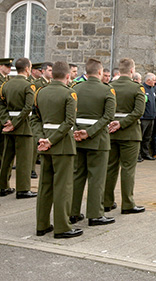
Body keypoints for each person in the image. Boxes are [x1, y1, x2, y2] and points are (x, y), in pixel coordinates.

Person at [31, 61, 82, 238]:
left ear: (52, 75)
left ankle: (42, 224)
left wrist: (41, 138)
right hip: (62, 146)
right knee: (63, 187)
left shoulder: (40, 92)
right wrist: (51, 140)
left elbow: (35, 119)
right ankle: (62, 227)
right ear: (68, 76)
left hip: (44, 144)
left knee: (45, 186)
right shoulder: (70, 93)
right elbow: (69, 122)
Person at [70, 58, 116, 226]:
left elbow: (69, 113)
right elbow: (108, 116)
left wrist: (77, 130)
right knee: (97, 177)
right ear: (99, 72)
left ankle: (72, 212)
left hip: (77, 137)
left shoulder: (75, 88)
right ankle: (95, 214)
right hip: (98, 139)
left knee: (77, 176)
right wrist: (89, 133)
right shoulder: (107, 90)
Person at [104, 58, 146, 214]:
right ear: (132, 70)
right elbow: (138, 111)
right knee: (128, 169)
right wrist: (122, 123)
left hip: (111, 132)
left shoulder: (109, 87)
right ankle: (127, 203)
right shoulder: (137, 88)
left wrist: (113, 122)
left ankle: (106, 201)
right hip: (130, 133)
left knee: (110, 168)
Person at [0, 58, 37, 198]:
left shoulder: (6, 85)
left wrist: (7, 121)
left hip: (9, 125)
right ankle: (23, 188)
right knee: (24, 160)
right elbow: (28, 108)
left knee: (7, 158)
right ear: (27, 69)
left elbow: (1, 105)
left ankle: (2, 186)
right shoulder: (28, 85)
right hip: (23, 126)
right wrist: (15, 123)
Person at [139, 73, 156, 161]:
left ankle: (145, 153)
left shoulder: (152, 89)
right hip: (144, 118)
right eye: (154, 80)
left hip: (151, 117)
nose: (155, 82)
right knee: (140, 137)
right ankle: (138, 155)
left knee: (147, 137)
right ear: (148, 80)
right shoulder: (142, 88)